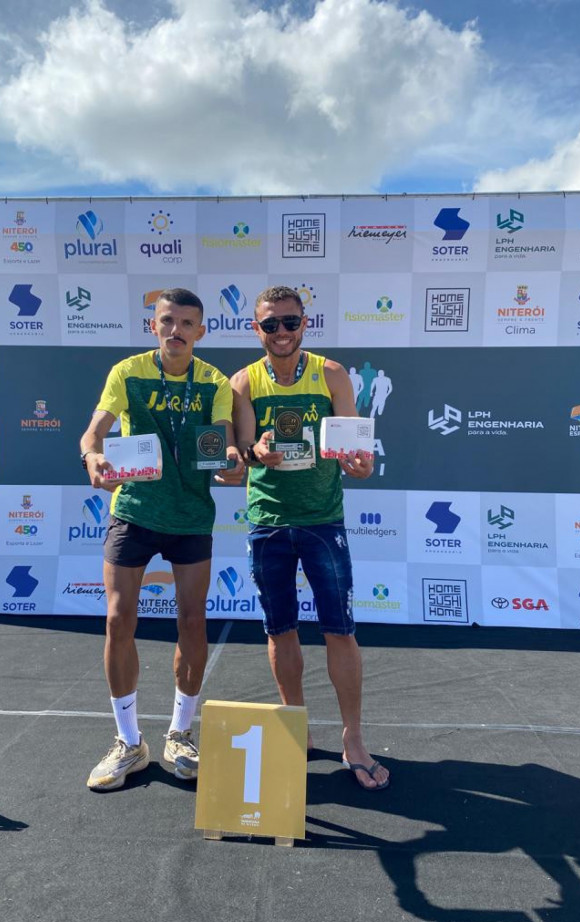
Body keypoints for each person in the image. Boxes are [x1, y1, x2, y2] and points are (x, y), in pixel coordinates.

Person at [80, 287, 244, 791]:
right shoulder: (127, 372)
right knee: (117, 619)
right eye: (168, 321)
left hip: (191, 515)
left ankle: (179, 733)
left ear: (201, 331)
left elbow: (223, 444)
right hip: (134, 510)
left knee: (192, 621)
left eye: (187, 323)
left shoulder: (214, 382)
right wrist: (92, 457)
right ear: (153, 325)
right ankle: (129, 742)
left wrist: (230, 464)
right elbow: (93, 433)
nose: (176, 331)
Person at [230, 285, 390, 791]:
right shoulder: (244, 382)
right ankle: (295, 728)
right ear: (256, 329)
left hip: (323, 520)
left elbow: (356, 452)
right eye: (270, 324)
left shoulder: (332, 374)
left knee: (340, 630)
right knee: (280, 629)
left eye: (290, 322)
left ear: (305, 323)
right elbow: (242, 450)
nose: (281, 332)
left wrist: (361, 466)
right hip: (268, 520)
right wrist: (256, 452)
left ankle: (353, 739)